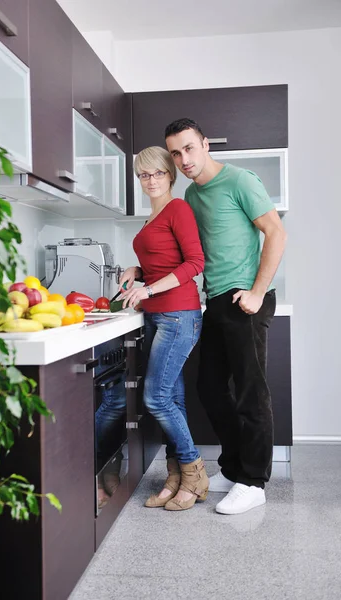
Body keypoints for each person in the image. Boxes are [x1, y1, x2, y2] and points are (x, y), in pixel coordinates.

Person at [165, 118, 287, 515]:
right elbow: (190, 253)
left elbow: (276, 232)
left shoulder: (240, 181)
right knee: (210, 388)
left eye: (188, 148)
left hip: (245, 299)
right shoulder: (191, 195)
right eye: (175, 153)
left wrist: (255, 293)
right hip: (216, 300)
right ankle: (235, 469)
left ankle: (254, 481)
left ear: (205, 144)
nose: (183, 159)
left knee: (252, 392)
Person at [119, 146, 209, 511]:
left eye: (157, 173)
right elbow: (161, 261)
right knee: (173, 398)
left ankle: (194, 471)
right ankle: (175, 476)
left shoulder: (178, 209)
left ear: (170, 174)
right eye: (144, 175)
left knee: (155, 398)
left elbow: (194, 263)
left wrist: (149, 288)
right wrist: (137, 271)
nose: (151, 180)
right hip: (157, 315)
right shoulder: (152, 216)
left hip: (178, 315)